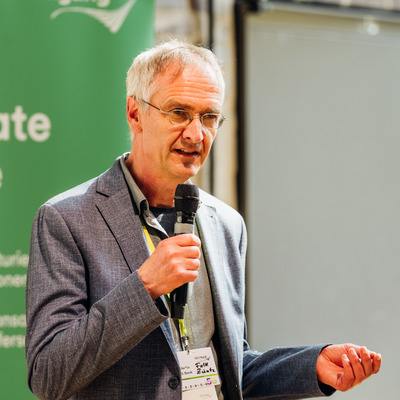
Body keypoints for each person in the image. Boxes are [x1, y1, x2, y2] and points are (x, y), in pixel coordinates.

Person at [26, 40, 381, 400]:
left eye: (209, 117)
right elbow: (48, 374)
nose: (196, 134)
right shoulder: (68, 219)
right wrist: (145, 287)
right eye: (179, 112)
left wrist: (311, 366)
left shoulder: (226, 224)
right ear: (135, 114)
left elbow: (229, 369)